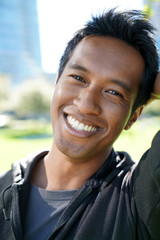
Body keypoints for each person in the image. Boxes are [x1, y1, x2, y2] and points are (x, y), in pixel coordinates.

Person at [0, 9, 160, 240]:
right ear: (56, 81)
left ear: (133, 117)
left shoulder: (139, 200)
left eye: (114, 92)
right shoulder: (5, 186)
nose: (86, 105)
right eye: (78, 78)